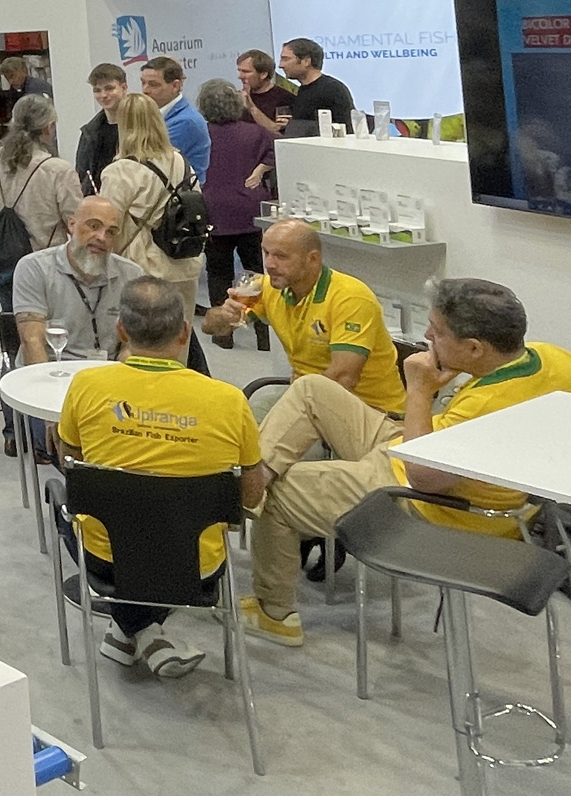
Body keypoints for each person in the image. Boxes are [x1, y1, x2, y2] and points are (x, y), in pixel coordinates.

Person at [241, 279, 571, 645]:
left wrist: (420, 390)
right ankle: (250, 482)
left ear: (475, 348)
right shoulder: (550, 358)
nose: (427, 335)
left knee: (282, 490)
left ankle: (274, 613)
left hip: (425, 503)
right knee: (311, 391)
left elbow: (422, 476)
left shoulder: (485, 408)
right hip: (422, 446)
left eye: (437, 331)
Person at [57, 276, 265, 676]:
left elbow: (71, 463)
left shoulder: (86, 386)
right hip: (196, 565)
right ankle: (146, 632)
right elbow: (251, 496)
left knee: (66, 501)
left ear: (121, 330)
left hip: (107, 560)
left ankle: (131, 630)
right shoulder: (229, 401)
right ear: (185, 332)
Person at [200, 220, 402, 413]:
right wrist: (224, 316)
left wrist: (295, 405)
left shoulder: (350, 298)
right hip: (305, 397)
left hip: (368, 408)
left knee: (269, 430)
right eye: (266, 253)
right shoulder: (268, 288)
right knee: (239, 420)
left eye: (281, 256)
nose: (269, 264)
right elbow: (210, 327)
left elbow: (343, 378)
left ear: (312, 259)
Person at [9, 195, 143, 457]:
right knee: (76, 450)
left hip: (107, 380)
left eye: (111, 232)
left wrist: (124, 388)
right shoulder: (34, 268)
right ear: (71, 224)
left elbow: (132, 344)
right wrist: (52, 416)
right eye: (94, 226)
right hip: (50, 378)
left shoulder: (132, 274)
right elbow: (32, 341)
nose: (101, 237)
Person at [0, 94, 81, 309]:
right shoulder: (58, 170)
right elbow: (76, 223)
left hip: (2, 267)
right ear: (48, 127)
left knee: (12, 318)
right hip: (46, 265)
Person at [99, 94, 203, 322]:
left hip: (142, 268)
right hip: (185, 264)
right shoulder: (181, 161)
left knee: (142, 336)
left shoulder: (121, 171)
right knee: (179, 334)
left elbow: (108, 224)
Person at [196, 79, 276, 350]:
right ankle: (264, 335)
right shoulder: (255, 133)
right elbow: (279, 148)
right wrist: (262, 169)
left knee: (218, 272)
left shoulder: (201, 135)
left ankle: (223, 333)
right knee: (256, 272)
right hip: (250, 210)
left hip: (213, 211)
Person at [140, 56, 210, 183]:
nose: (145, 90)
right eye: (143, 83)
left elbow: (148, 161)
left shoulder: (187, 122)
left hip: (179, 192)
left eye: (153, 85)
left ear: (175, 86)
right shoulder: (154, 115)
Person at [278, 38, 354, 139]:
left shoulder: (333, 89)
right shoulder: (303, 90)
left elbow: (345, 129)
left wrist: (295, 126)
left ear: (306, 61)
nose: (281, 65)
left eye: (286, 59)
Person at [77, 64, 127, 195]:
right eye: (97, 90)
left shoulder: (139, 126)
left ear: (124, 88)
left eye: (109, 88)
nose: (103, 95)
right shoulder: (89, 132)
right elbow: (83, 174)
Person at [237, 49, 296, 136]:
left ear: (263, 75)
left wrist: (252, 108)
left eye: (246, 72)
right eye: (239, 71)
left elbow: (279, 134)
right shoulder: (238, 97)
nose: (240, 76)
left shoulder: (284, 99)